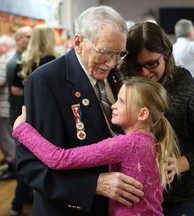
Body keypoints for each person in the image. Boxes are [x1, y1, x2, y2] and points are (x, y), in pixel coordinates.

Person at [15, 6, 145, 216]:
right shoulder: (46, 81)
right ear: (78, 42)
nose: (112, 63)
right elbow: (31, 165)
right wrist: (94, 184)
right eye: (105, 52)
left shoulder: (113, 75)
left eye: (118, 54)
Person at [12, 76, 181, 216]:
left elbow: (58, 158)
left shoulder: (127, 144)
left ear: (143, 113)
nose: (114, 105)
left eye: (122, 102)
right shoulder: (153, 141)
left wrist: (22, 130)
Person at [119, 21, 194, 216]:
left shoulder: (190, 90)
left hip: (190, 195)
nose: (144, 73)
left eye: (152, 64)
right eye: (136, 66)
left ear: (166, 54)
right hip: (142, 195)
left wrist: (178, 163)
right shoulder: (124, 86)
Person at [7, 24, 56, 216]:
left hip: (22, 116)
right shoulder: (51, 61)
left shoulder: (23, 61)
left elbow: (16, 90)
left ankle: (17, 204)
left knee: (26, 162)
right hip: (42, 120)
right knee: (44, 163)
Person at [0, 35, 16, 180]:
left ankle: (13, 166)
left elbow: (1, 81)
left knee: (6, 138)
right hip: (11, 104)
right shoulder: (16, 55)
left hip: (4, 105)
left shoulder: (4, 59)